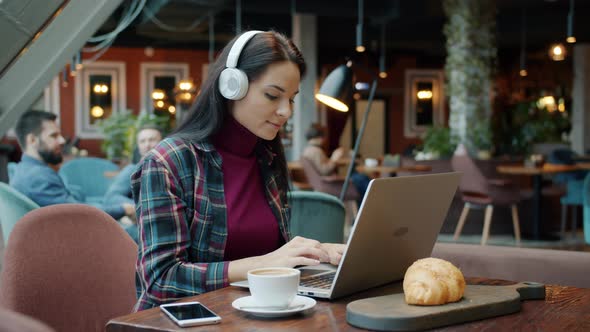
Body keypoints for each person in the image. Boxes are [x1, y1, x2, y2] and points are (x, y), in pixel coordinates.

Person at [131, 30, 345, 311]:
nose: (286, 111)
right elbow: (160, 279)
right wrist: (263, 265)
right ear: (232, 86)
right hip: (181, 321)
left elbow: (258, 248)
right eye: (272, 95)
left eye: (291, 99)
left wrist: (316, 252)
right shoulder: (168, 162)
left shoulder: (266, 158)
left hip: (253, 315)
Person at [10, 110, 135, 221]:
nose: (62, 140)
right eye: (54, 136)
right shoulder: (38, 177)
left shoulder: (23, 169)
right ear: (32, 140)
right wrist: (124, 209)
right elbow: (79, 215)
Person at [103, 125, 163, 243]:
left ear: (162, 142)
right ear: (138, 147)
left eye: (152, 140)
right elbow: (111, 197)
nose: (147, 144)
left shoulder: (170, 169)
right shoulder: (132, 170)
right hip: (142, 227)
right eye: (142, 141)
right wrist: (139, 208)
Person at [302, 124, 370, 201]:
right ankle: (370, 203)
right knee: (362, 178)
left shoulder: (307, 150)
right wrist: (334, 158)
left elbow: (322, 166)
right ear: (320, 136)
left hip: (323, 184)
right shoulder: (316, 151)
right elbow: (325, 171)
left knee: (358, 178)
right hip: (329, 185)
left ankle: (364, 205)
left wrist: (335, 161)